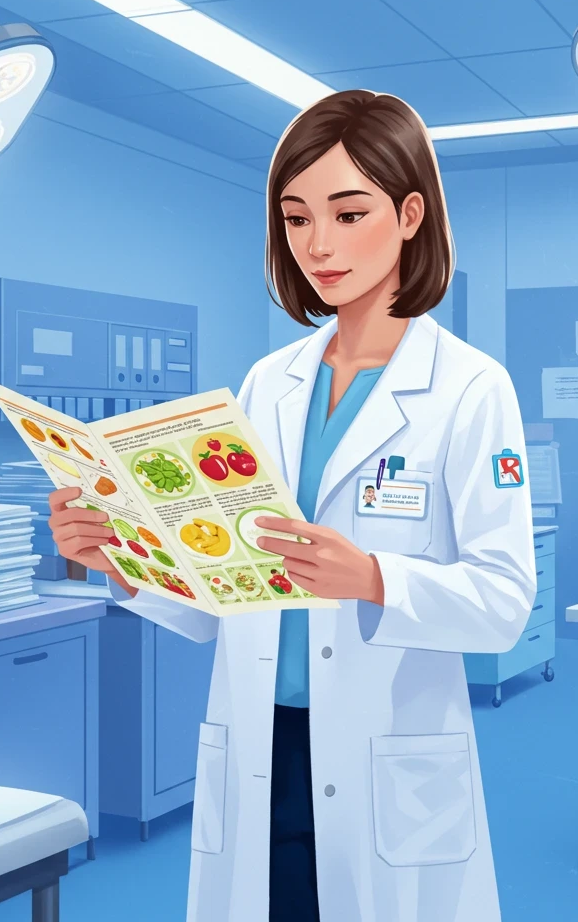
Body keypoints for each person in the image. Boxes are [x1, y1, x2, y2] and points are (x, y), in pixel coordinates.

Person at [48, 90, 536, 922]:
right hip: (260, 748)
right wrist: (123, 561)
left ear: (411, 213)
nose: (320, 245)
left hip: (388, 755)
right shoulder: (268, 384)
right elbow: (223, 592)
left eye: (349, 214)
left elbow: (503, 604)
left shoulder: (470, 387)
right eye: (297, 217)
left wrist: (374, 577)